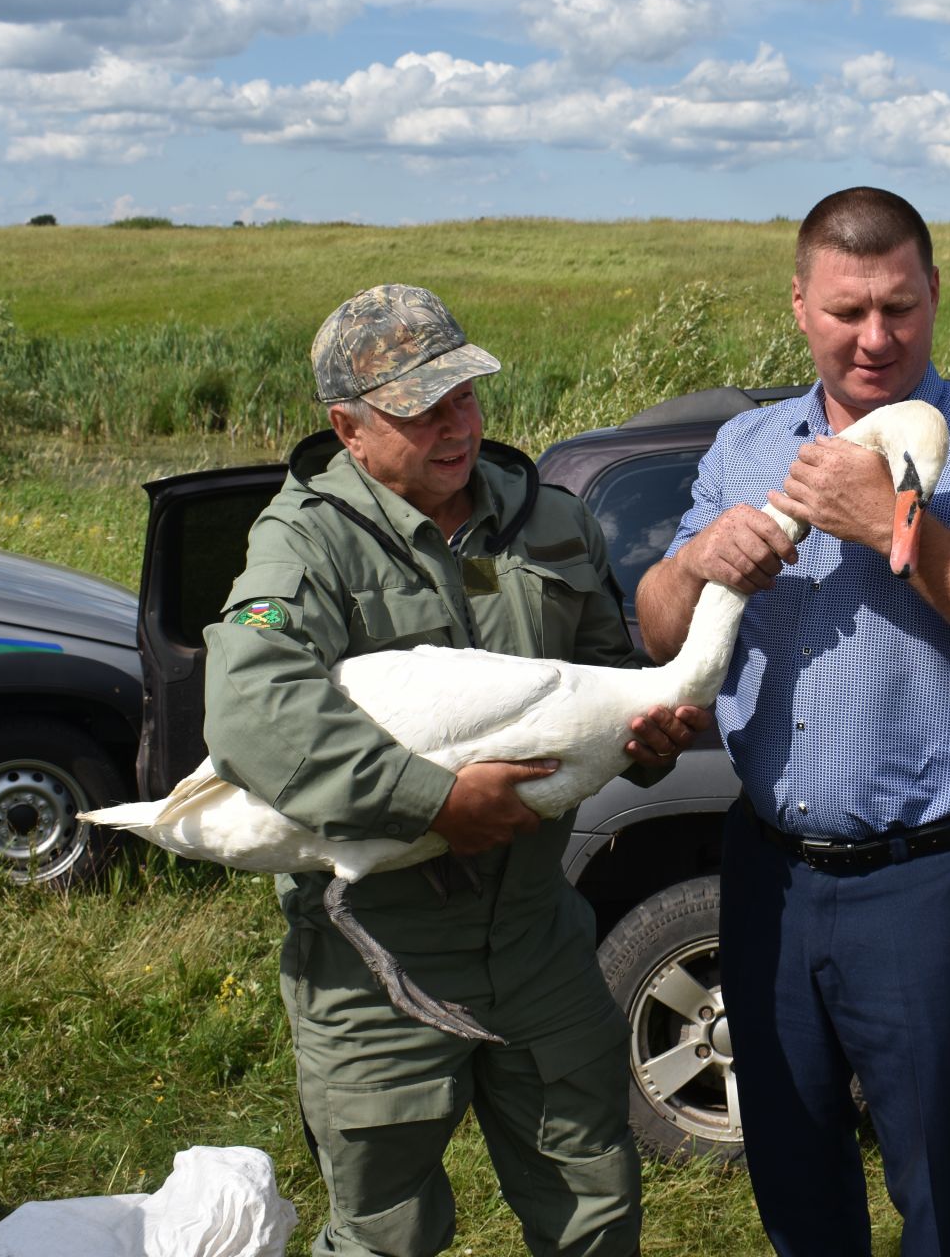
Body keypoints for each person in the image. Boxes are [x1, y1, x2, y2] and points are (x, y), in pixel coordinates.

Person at [633, 187, 950, 1256]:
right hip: (768, 870)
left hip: (926, 880)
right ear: (799, 305)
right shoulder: (748, 445)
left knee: (939, 1185)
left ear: (935, 293)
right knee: (792, 1167)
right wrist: (696, 560)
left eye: (900, 305)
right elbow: (662, 628)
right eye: (848, 310)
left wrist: (895, 524)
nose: (876, 336)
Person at [204, 283, 709, 1257]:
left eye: (465, 397)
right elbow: (249, 705)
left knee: (594, 1209)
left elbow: (609, 684)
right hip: (374, 961)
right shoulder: (306, 540)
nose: (456, 426)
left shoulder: (553, 523)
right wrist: (431, 800)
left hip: (539, 941)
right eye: (421, 409)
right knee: (385, 1233)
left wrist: (644, 742)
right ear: (348, 428)